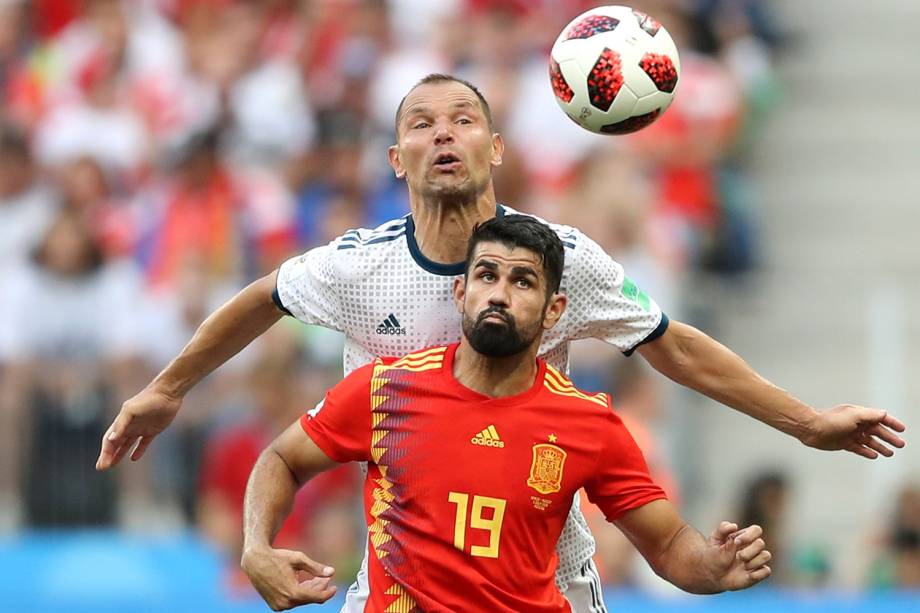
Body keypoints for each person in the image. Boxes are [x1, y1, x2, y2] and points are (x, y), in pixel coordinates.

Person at [96, 74, 905, 611]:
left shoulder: (564, 260)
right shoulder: (358, 268)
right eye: (421, 123)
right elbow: (260, 300)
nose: (443, 134)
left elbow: (677, 348)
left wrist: (804, 422)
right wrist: (169, 387)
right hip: (403, 572)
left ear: (497, 149)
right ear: (395, 157)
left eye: (464, 120)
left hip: (543, 562)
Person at [241, 215, 773, 611]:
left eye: (522, 282)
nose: (500, 293)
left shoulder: (588, 423)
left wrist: (712, 566)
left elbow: (670, 544)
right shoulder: (387, 390)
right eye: (487, 275)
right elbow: (283, 458)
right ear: (460, 291)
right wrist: (257, 546)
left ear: (554, 310)